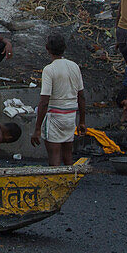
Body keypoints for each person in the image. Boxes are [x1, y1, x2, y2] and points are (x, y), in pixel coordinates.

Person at [30, 34, 86, 165]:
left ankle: (55, 184)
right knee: (68, 155)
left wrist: (37, 128)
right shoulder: (74, 66)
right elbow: (81, 96)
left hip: (55, 117)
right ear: (65, 48)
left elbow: (44, 102)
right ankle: (70, 183)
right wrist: (82, 121)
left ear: (47, 49)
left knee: (54, 156)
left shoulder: (49, 70)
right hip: (70, 116)